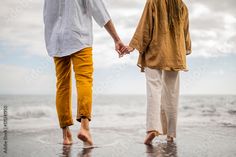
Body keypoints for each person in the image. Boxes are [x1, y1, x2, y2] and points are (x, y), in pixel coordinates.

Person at [43, 0, 127, 146]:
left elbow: (47, 14)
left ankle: (66, 135)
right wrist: (117, 39)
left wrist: (51, 37)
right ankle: (84, 127)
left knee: (62, 85)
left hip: (56, 39)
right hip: (79, 36)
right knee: (84, 79)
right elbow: (99, 10)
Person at [123, 0, 191, 144]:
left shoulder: (153, 1)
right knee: (172, 93)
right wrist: (186, 48)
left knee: (154, 89)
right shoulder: (182, 6)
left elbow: (145, 26)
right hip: (175, 54)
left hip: (156, 51)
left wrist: (132, 46)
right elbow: (185, 33)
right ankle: (171, 134)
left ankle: (153, 128)